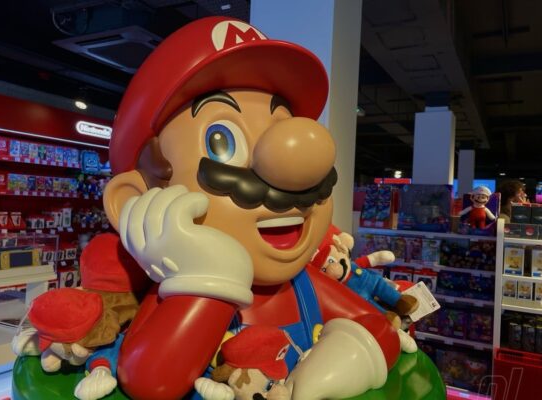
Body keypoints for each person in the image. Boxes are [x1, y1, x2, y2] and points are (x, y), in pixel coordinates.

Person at [98, 16, 400, 399]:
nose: (292, 174)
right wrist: (212, 274)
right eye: (221, 141)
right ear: (134, 201)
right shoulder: (174, 296)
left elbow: (378, 327)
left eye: (283, 129)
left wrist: (335, 366)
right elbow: (150, 380)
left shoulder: (302, 284)